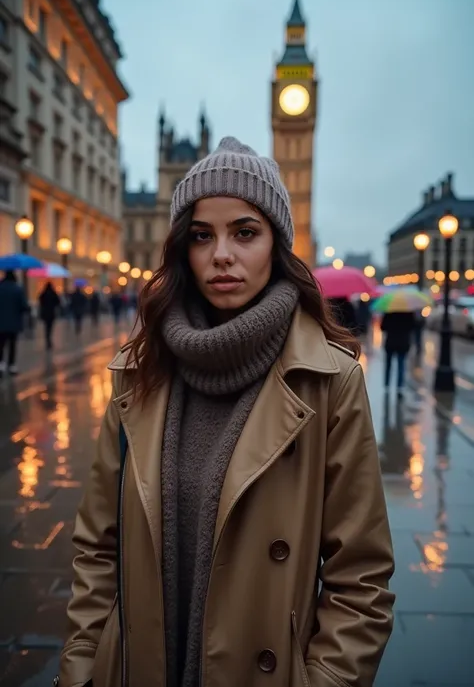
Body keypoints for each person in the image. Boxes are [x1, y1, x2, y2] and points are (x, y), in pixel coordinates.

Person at [58, 138, 394, 687]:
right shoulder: (135, 373)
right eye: (200, 235)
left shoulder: (330, 380)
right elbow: (97, 550)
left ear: (276, 245)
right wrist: (81, 669)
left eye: (244, 232)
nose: (221, 255)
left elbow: (361, 580)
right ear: (181, 251)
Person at [381, 310, 416, 396]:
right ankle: (399, 386)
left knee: (388, 365)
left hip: (391, 342)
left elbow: (382, 327)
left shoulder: (389, 312)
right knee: (401, 365)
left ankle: (387, 385)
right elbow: (412, 326)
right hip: (403, 342)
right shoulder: (408, 312)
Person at [0, 270, 28, 376]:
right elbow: (23, 306)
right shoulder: (17, 289)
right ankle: (11, 366)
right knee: (12, 345)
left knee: (1, 344)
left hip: (1, 323)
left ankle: (1, 365)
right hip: (14, 323)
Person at [38, 281, 61, 350]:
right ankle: (49, 339)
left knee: (46, 327)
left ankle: (47, 339)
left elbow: (40, 300)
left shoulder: (43, 294)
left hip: (45, 313)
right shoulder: (53, 293)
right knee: (50, 326)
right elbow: (58, 302)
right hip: (51, 313)